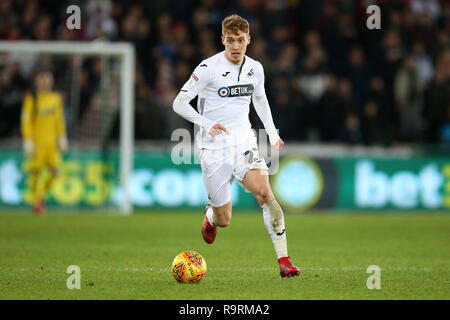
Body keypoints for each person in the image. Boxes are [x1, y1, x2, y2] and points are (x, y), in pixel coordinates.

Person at [172, 14, 300, 278]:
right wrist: (206, 123)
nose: (235, 46)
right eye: (230, 40)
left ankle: (284, 260)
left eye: (240, 40)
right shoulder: (208, 68)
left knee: (265, 194)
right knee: (224, 219)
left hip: (244, 142)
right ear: (223, 40)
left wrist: (272, 132)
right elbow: (179, 102)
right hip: (213, 149)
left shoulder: (256, 68)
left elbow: (261, 100)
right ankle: (211, 216)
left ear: (249, 40)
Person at [21, 69, 68, 215]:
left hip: (52, 144)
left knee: (55, 172)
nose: (46, 81)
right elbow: (26, 121)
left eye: (48, 78)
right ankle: (37, 203)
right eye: (43, 79)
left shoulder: (55, 99)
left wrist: (62, 136)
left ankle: (39, 198)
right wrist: (27, 139)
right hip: (37, 143)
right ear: (38, 81)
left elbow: (59, 119)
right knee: (35, 173)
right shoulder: (31, 99)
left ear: (52, 81)